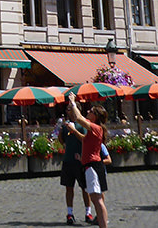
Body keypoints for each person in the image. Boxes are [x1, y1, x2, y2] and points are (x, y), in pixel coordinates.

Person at [66, 94, 108, 228]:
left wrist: (72, 102)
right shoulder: (94, 131)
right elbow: (84, 139)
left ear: (95, 116)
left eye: (90, 112)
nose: (88, 112)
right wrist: (73, 131)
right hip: (91, 164)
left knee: (97, 200)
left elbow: (78, 118)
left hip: (93, 166)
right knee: (97, 199)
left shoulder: (95, 128)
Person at [53, 112, 92, 225]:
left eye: (70, 109)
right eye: (68, 110)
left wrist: (74, 130)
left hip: (81, 160)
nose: (69, 112)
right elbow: (62, 141)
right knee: (69, 187)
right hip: (68, 160)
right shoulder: (66, 126)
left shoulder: (83, 125)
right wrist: (61, 130)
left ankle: (88, 212)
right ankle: (70, 213)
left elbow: (85, 139)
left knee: (85, 188)